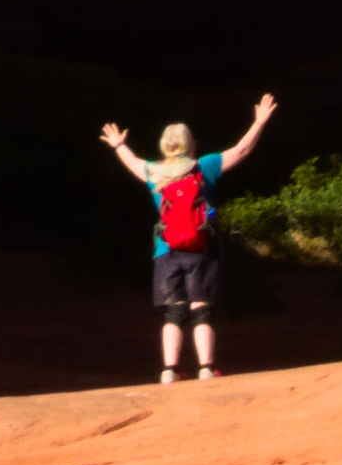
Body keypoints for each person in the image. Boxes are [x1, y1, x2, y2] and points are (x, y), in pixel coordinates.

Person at [100, 93, 278, 383]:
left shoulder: (153, 172)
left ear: (163, 145)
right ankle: (206, 367)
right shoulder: (203, 166)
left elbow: (131, 162)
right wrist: (259, 122)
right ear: (190, 143)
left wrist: (119, 145)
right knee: (200, 308)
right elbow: (241, 151)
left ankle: (169, 371)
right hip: (200, 247)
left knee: (173, 311)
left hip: (166, 249)